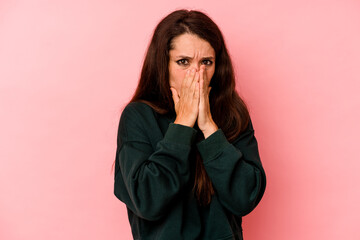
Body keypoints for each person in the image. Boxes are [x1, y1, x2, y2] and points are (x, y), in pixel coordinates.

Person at [113, 9, 266, 240]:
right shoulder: (138, 116)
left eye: (206, 62)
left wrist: (209, 128)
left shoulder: (233, 113)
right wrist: (183, 125)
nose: (197, 74)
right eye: (183, 62)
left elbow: (246, 196)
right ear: (163, 65)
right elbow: (147, 200)